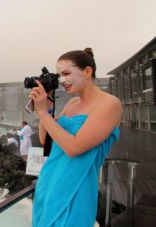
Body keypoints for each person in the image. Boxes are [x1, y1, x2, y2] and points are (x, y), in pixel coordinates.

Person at [30, 48, 122, 227]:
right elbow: (45, 139)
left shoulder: (110, 104)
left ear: (88, 71)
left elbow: (74, 148)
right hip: (48, 183)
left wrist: (42, 113)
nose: (61, 80)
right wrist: (46, 105)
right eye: (58, 75)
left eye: (66, 73)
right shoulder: (72, 104)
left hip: (77, 189)